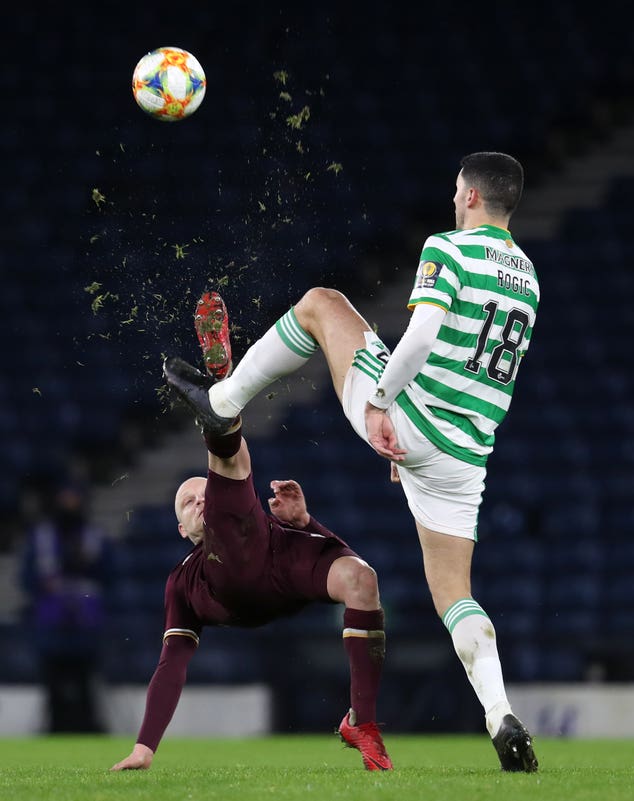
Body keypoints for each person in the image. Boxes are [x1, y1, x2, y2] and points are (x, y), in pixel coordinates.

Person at [163, 152, 540, 772]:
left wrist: (383, 407)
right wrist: (423, 448)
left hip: (410, 420)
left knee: (321, 303)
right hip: (466, 451)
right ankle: (499, 715)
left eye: (454, 190)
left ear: (470, 195)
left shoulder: (450, 247)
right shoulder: (527, 275)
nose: (452, 199)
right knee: (455, 594)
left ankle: (221, 401)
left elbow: (421, 337)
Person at [111, 294, 392, 772]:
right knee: (228, 469)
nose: (200, 500)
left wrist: (305, 525)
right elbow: (172, 662)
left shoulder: (232, 514)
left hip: (277, 554)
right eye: (188, 502)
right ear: (182, 529)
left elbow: (232, 474)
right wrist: (144, 747)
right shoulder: (184, 583)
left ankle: (361, 724)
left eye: (201, 493)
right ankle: (221, 392)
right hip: (239, 564)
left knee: (363, 581)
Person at [19, 480, 114, 733]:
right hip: (52, 619)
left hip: (86, 620)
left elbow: (110, 575)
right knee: (53, 681)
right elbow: (26, 577)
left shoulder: (94, 537)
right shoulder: (42, 536)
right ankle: (55, 726)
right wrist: (43, 585)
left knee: (86, 681)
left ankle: (87, 726)